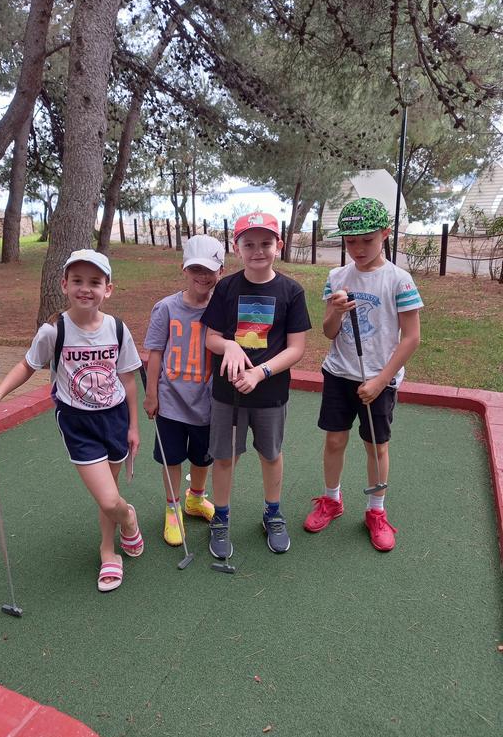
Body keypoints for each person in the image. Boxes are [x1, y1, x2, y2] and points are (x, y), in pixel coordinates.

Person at [0, 249, 143, 592]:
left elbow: (127, 379)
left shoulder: (118, 329)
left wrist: (134, 426)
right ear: (64, 285)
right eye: (77, 280)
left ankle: (108, 550)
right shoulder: (53, 330)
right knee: (109, 500)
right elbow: (27, 365)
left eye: (95, 282)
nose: (85, 288)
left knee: (110, 492)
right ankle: (128, 518)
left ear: (108, 289)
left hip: (115, 418)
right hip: (77, 423)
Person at [303, 197, 423, 552]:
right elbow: (328, 331)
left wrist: (381, 380)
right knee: (334, 440)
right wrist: (336, 311)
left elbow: (412, 337)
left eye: (367, 240)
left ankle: (375, 510)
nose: (358, 248)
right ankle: (332, 500)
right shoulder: (337, 277)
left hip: (379, 378)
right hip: (340, 372)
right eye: (350, 241)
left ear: (385, 234)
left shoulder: (399, 280)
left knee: (376, 446)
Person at [201, 212, 312, 557]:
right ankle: (221, 517)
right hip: (228, 394)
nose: (258, 251)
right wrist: (230, 346)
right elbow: (211, 338)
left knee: (271, 454)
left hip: (271, 394)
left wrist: (260, 372)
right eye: (248, 244)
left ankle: (272, 513)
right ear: (237, 248)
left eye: (266, 243)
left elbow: (296, 348)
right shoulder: (226, 288)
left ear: (279, 245)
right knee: (224, 457)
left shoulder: (291, 291)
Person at [143, 234, 225, 546]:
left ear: (221, 271)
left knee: (203, 458)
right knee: (172, 458)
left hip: (207, 401)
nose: (202, 276)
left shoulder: (222, 309)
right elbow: (155, 353)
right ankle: (173, 507)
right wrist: (152, 394)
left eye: (209, 270)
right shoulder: (165, 308)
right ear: (184, 269)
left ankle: (195, 498)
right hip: (170, 401)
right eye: (195, 269)